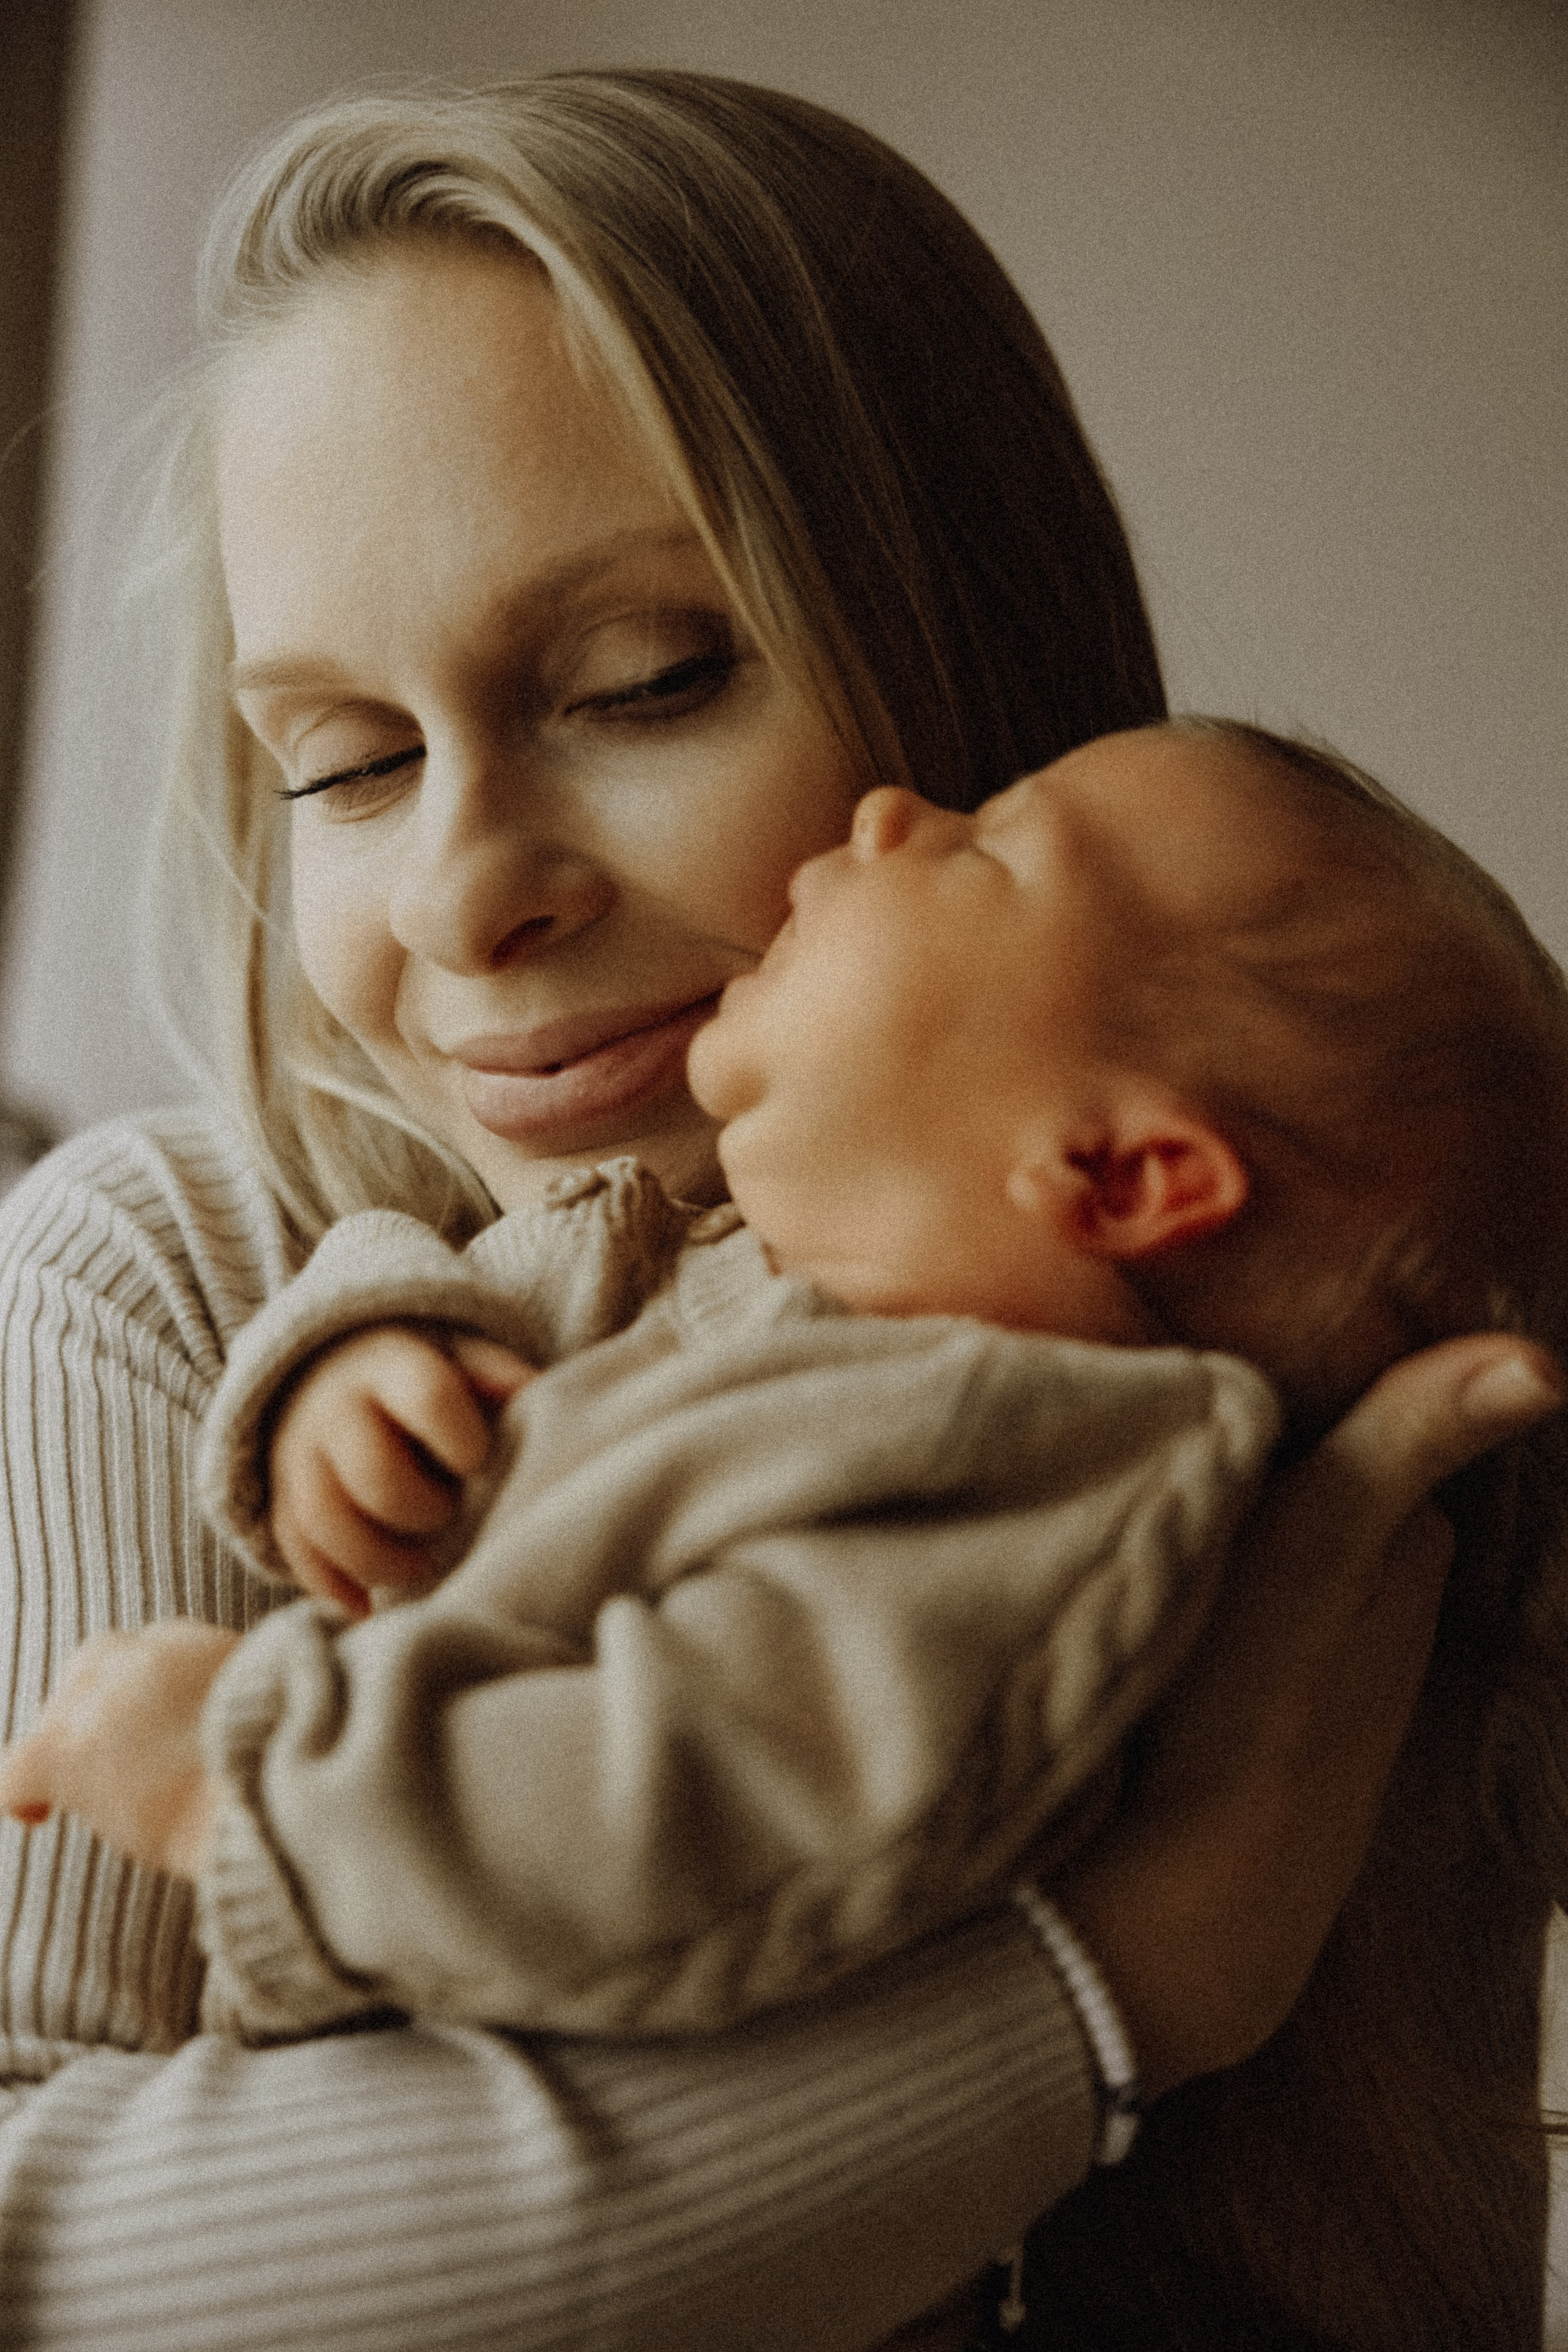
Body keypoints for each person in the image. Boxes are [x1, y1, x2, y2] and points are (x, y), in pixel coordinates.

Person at [0, 70, 1555, 2352]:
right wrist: (1113, 1987)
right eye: (341, 759)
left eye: (647, 682)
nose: (462, 889)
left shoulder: (1319, 1367)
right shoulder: (175, 1287)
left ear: (963, 668)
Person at [10, 713, 1567, 2076]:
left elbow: (661, 1813)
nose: (891, 816)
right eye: (348, 764)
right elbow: (504, 1287)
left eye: (985, 854)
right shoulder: (746, 1280)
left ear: (1117, 1171)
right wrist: (360, 1355)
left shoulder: (1035, 1482)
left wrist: (249, 1789)